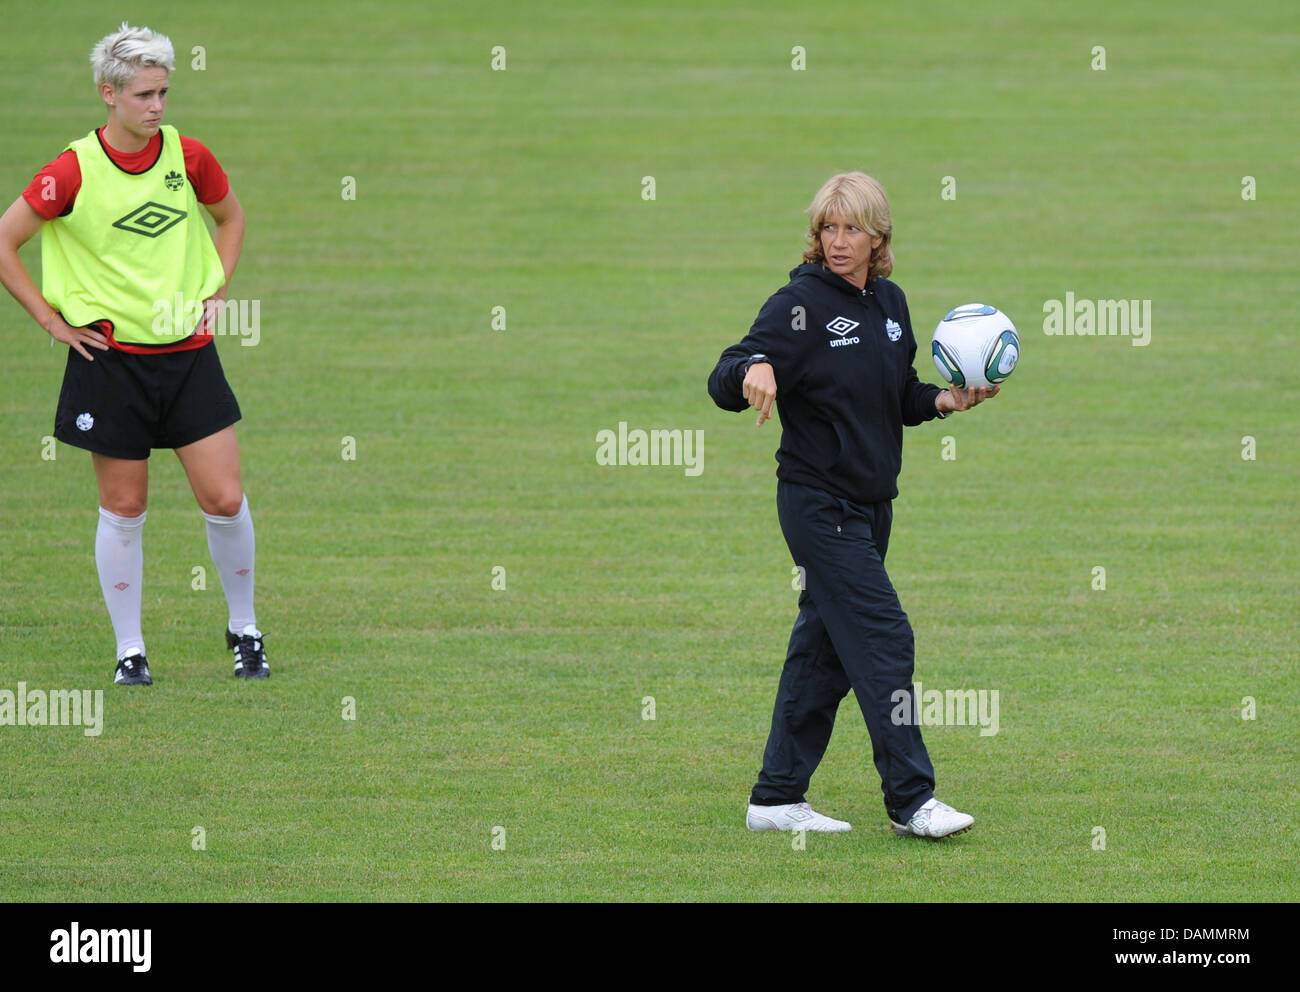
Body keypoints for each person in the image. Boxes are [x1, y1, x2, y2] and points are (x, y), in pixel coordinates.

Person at [707, 172, 997, 839]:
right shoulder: (799, 305)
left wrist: (943, 401)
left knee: (825, 649)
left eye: (852, 230)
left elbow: (897, 398)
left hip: (871, 508)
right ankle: (912, 800)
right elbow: (728, 371)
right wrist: (750, 371)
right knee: (883, 636)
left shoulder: (892, 305)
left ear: (878, 237)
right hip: (817, 504)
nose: (839, 242)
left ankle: (777, 797)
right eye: (828, 229)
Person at [0, 23, 268, 685]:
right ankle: (130, 652)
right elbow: (5, 241)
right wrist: (50, 320)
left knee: (226, 498)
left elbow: (230, 218)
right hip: (111, 363)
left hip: (190, 358)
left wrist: (218, 289)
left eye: (163, 93)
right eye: (144, 94)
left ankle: (245, 630)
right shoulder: (72, 171)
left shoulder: (189, 157)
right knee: (124, 508)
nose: (156, 107)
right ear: (108, 95)